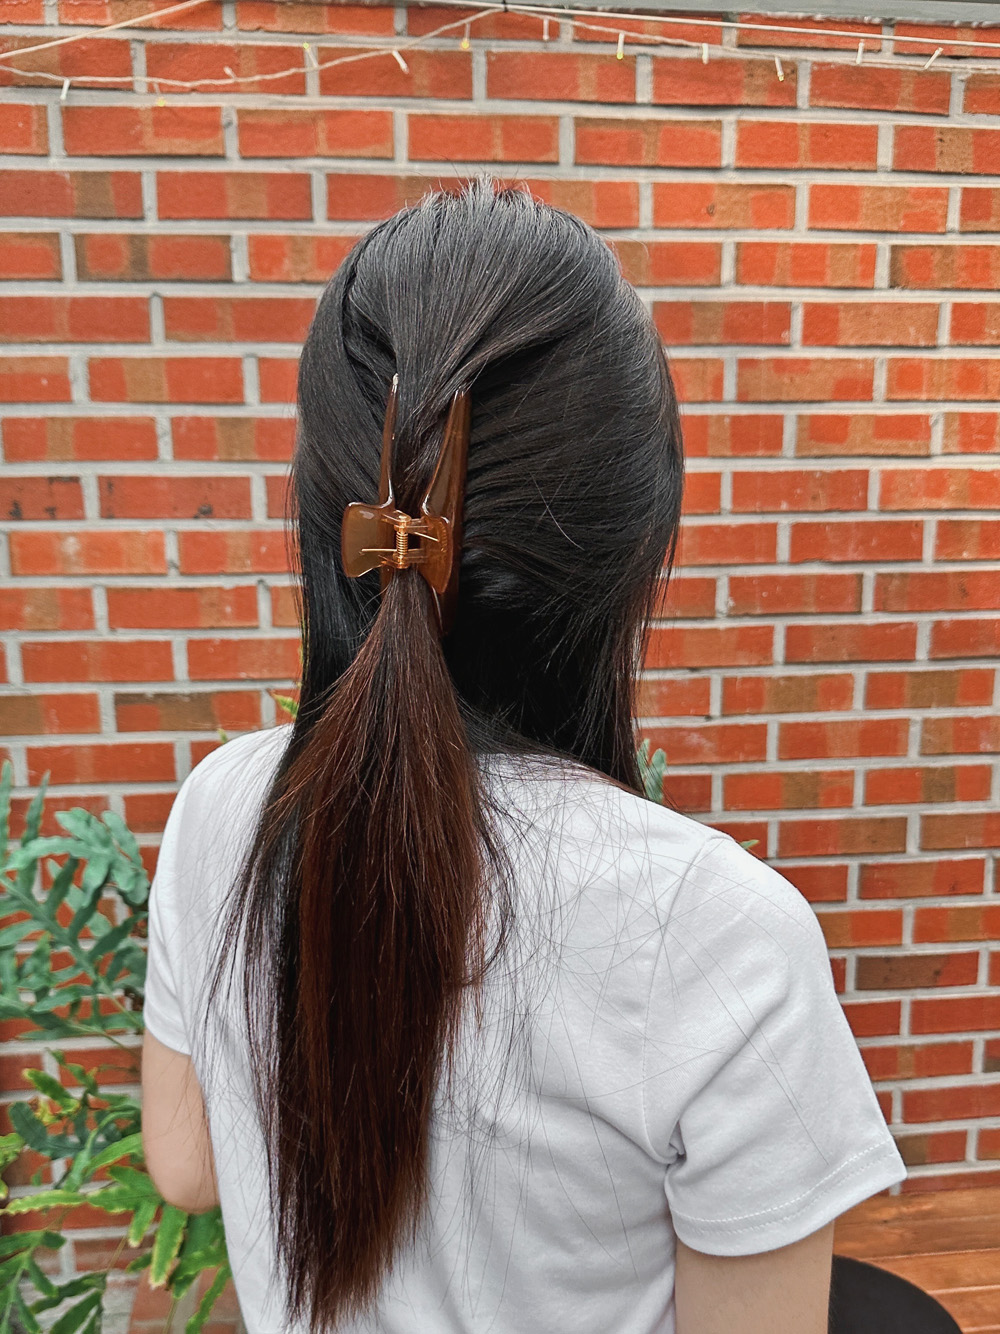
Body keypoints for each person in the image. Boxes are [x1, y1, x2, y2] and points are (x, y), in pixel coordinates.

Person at [141, 180, 905, 1334]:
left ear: (322, 516)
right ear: (634, 546)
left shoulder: (223, 807)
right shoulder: (715, 931)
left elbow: (187, 1161)